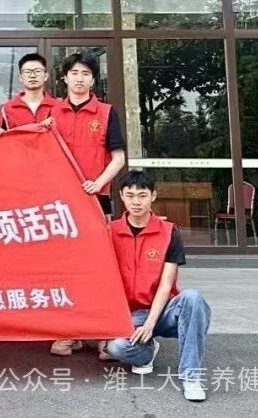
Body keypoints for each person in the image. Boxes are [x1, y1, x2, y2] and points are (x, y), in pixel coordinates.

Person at [103, 170, 210, 402]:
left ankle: (191, 377)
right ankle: (147, 352)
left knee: (193, 298)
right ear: (121, 196)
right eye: (130, 195)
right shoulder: (110, 232)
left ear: (153, 196)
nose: (136, 202)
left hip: (163, 311)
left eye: (142, 195)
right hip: (130, 315)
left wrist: (150, 324)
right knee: (116, 348)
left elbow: (166, 284)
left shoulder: (169, 232)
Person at [49, 52, 126, 357]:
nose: (79, 79)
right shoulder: (52, 113)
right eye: (74, 73)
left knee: (99, 268)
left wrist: (97, 182)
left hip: (97, 202)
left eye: (85, 74)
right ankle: (71, 332)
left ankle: (105, 334)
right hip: (60, 206)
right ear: (64, 78)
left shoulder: (107, 113)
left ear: (93, 80)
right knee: (66, 270)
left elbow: (118, 158)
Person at [3, 53, 58, 127]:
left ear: (46, 76)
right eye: (27, 72)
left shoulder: (58, 107)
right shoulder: (7, 108)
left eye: (37, 71)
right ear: (20, 78)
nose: (32, 75)